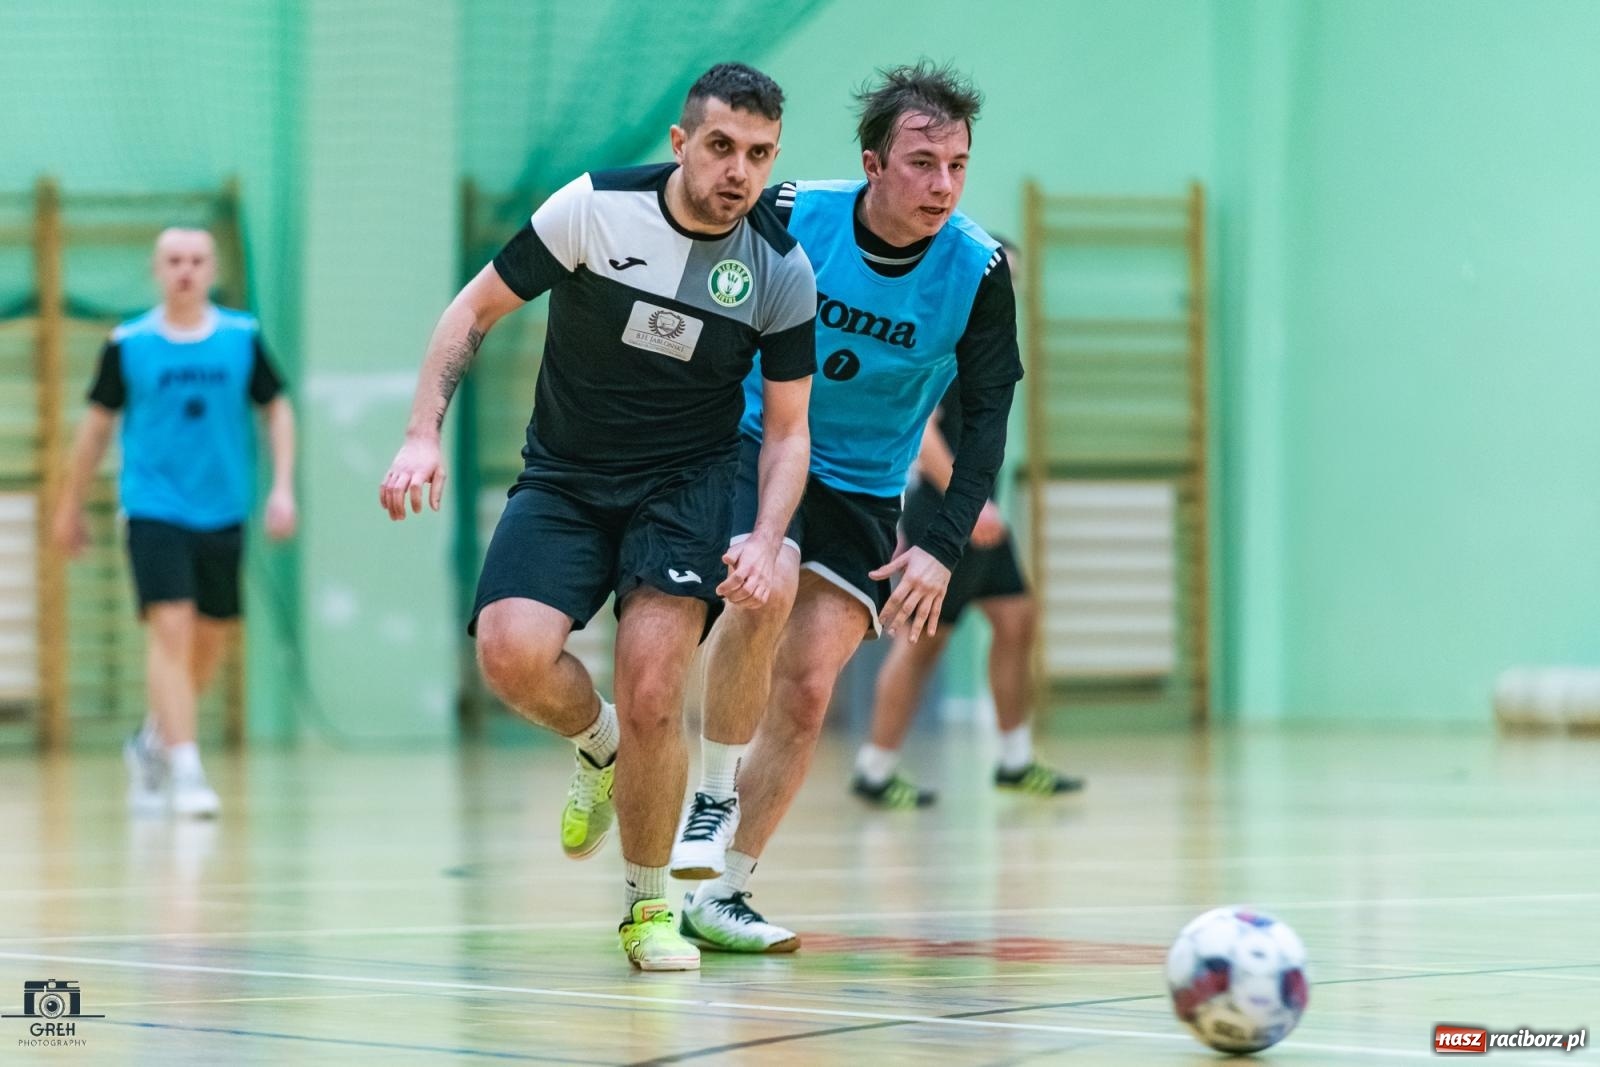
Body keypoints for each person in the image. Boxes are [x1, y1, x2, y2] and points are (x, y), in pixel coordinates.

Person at [378, 63, 816, 972]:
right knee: (510, 654)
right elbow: (473, 311)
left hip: (685, 486)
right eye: (724, 147)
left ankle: (647, 908)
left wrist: (768, 538)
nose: (740, 171)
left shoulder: (778, 269)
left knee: (657, 685)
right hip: (568, 476)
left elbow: (786, 432)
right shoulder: (592, 209)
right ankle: (599, 741)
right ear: (682, 143)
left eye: (761, 154)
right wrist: (423, 433)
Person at [668, 61, 1021, 954]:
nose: (942, 184)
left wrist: (940, 544)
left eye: (958, 165)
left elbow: (984, 422)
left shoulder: (977, 269)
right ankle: (707, 787)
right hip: (756, 440)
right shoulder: (792, 211)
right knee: (767, 579)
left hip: (868, 484)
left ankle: (721, 892)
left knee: (812, 683)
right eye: (921, 162)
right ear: (873, 164)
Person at [53, 227, 297, 819]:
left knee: (210, 641)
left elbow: (275, 407)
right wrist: (69, 504)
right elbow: (94, 430)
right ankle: (186, 767)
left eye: (196, 260)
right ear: (155, 271)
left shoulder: (242, 337)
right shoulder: (128, 342)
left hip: (223, 508)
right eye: (173, 261)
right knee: (171, 628)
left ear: (211, 270)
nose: (185, 270)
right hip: (152, 506)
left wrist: (283, 488)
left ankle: (152, 741)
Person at [853, 238, 1084, 808]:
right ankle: (875, 770)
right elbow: (921, 433)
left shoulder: (986, 342)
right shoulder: (945, 337)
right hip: (949, 515)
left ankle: (1014, 761)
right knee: (924, 645)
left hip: (978, 516)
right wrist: (968, 504)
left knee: (1016, 619)